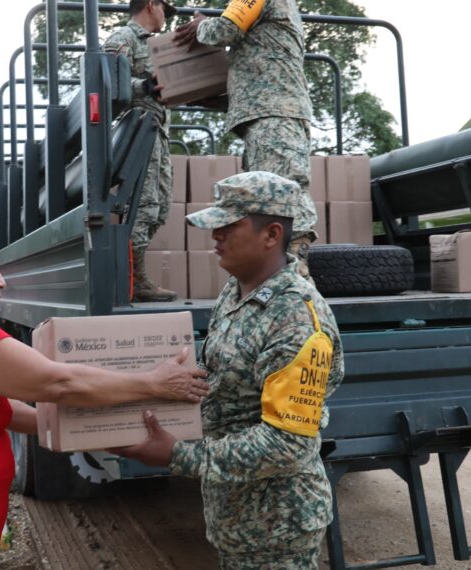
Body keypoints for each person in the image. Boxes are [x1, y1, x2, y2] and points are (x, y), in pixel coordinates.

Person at [0, 222, 209, 570]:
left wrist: (102, 435)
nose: (2, 281)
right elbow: (58, 384)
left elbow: (6, 411)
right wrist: (153, 383)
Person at [115, 172, 345, 569]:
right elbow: (221, 380)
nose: (216, 236)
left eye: (228, 226)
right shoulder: (237, 290)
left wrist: (177, 454)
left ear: (272, 235)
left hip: (278, 524)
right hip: (235, 511)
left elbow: (287, 444)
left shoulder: (296, 317)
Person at [174, 0, 320, 279]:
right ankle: (281, 277)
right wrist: (216, 99)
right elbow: (261, 69)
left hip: (274, 114)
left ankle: (296, 278)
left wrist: (200, 24)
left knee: (283, 193)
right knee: (268, 200)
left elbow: (224, 30)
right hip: (268, 113)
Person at [103, 0, 180, 302]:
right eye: (165, 9)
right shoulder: (123, 39)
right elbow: (106, 81)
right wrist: (143, 87)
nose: (166, 17)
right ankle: (132, 278)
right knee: (144, 206)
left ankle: (135, 273)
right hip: (135, 133)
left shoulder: (159, 46)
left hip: (156, 134)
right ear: (151, 5)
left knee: (159, 206)